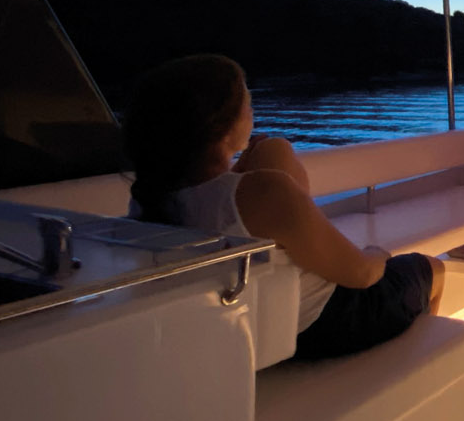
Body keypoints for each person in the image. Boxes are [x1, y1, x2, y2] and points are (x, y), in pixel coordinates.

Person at [123, 54, 444, 360]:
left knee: (274, 149)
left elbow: (222, 199)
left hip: (235, 325)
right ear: (222, 127)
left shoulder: (149, 198)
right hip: (319, 326)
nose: (252, 112)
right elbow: (362, 275)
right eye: (247, 103)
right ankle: (424, 364)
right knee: (433, 268)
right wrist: (378, 253)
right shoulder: (263, 193)